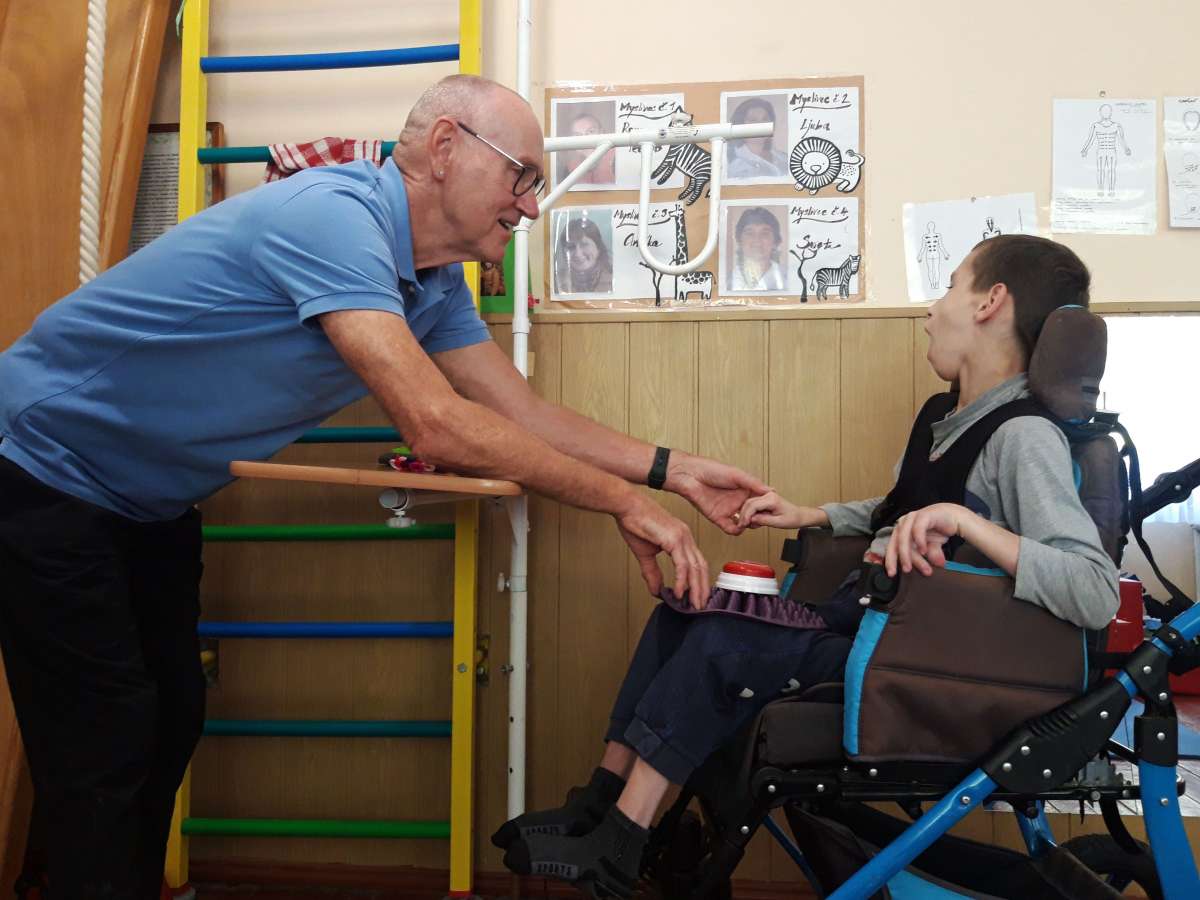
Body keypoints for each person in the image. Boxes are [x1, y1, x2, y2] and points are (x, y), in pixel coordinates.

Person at [0, 74, 767, 898]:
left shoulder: (432, 286)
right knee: (106, 740)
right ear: (445, 148)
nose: (532, 207)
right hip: (41, 469)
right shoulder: (334, 218)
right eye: (523, 177)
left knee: (172, 716)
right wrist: (621, 502)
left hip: (146, 504)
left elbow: (523, 415)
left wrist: (670, 470)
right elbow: (435, 424)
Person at [494, 234, 1120, 899]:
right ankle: (603, 802)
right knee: (684, 612)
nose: (929, 311)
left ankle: (621, 842)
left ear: (992, 302)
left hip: (907, 661)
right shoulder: (947, 416)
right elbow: (900, 510)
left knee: (724, 638)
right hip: (871, 632)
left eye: (949, 287)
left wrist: (969, 525)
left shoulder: (1024, 436)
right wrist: (808, 514)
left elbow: (1092, 589)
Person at [726, 96, 788, 179]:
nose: (761, 124)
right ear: (739, 125)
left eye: (765, 119)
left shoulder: (784, 158)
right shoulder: (732, 166)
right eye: (752, 120)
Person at [729, 206, 787, 291]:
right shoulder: (726, 282)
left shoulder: (790, 279)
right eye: (749, 233)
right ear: (739, 240)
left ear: (775, 242)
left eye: (765, 234)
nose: (757, 240)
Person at [556, 215, 614, 293]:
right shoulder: (556, 282)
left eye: (584, 244)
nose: (578, 254)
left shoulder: (615, 280)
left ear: (598, 248)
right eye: (571, 247)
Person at [559, 110, 617, 185]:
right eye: (578, 135)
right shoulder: (569, 169)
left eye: (591, 132)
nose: (585, 140)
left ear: (602, 132)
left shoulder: (616, 158)